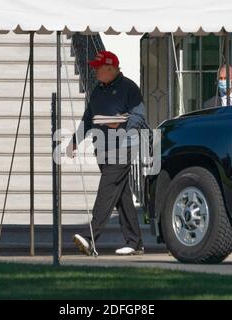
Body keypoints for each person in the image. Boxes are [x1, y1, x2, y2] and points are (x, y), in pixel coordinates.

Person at [67, 50, 147, 256]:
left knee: (107, 187)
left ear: (110, 68)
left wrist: (123, 130)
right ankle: (135, 242)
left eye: (98, 68)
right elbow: (88, 117)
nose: (94, 71)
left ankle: (90, 236)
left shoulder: (129, 88)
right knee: (121, 194)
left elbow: (138, 115)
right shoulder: (98, 90)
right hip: (102, 148)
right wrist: (75, 141)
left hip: (123, 147)